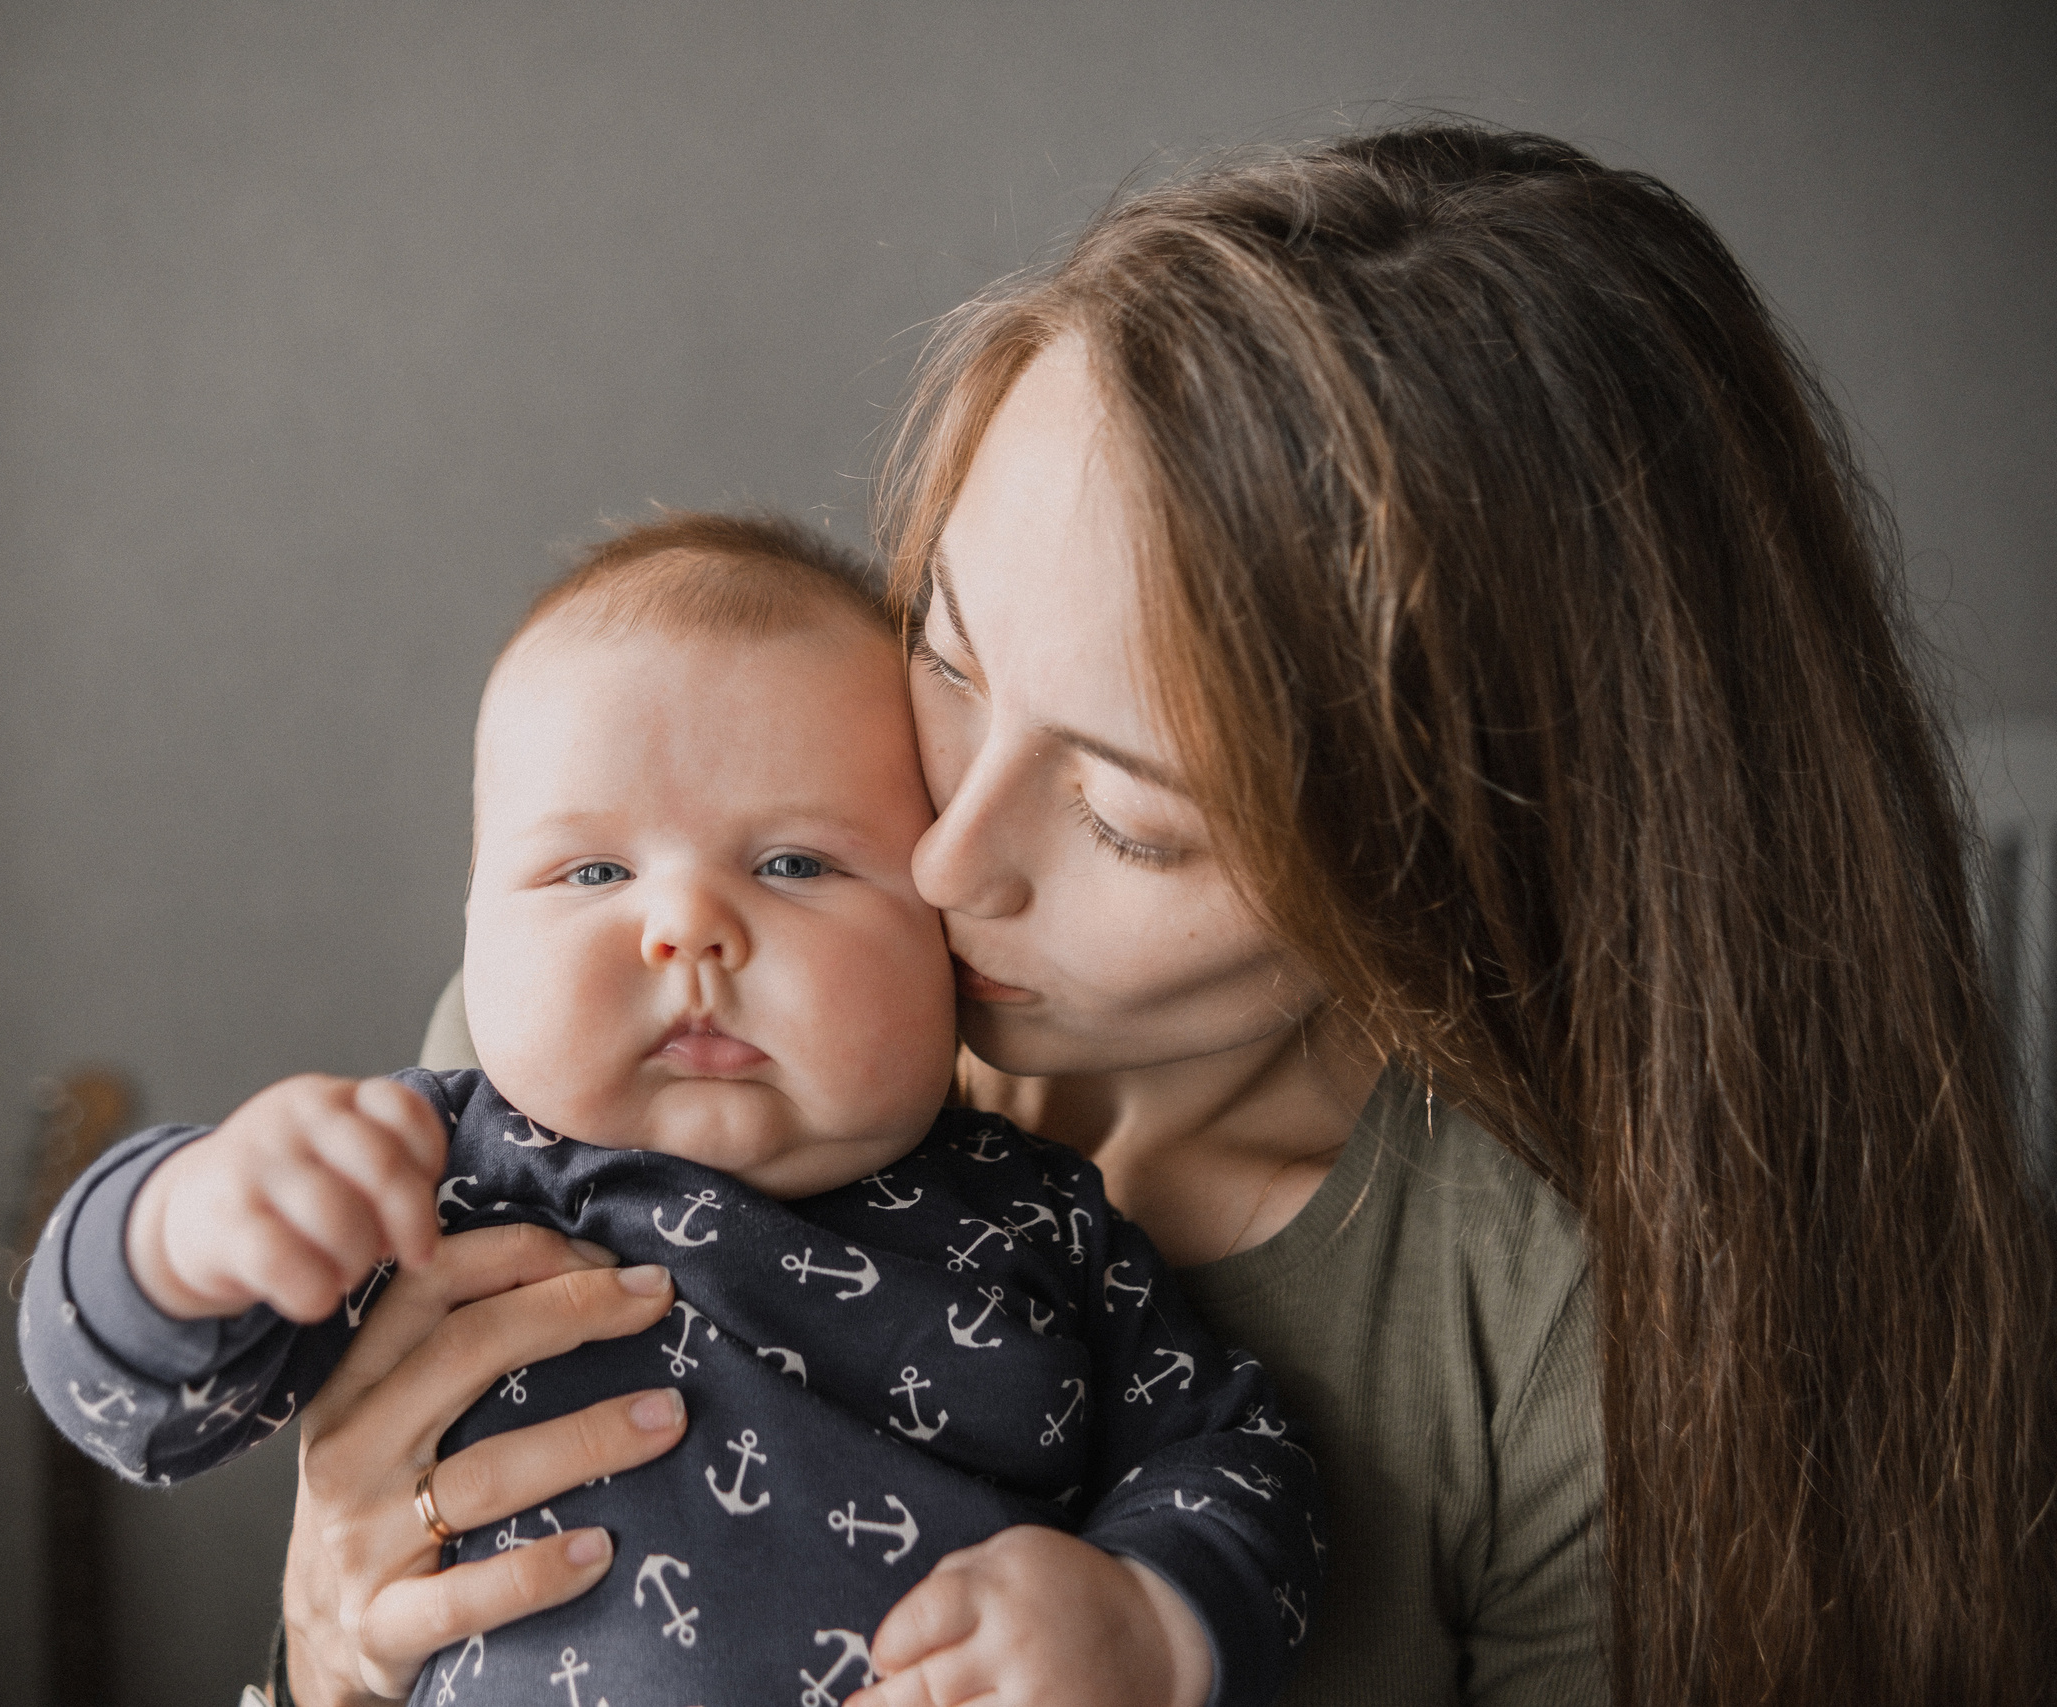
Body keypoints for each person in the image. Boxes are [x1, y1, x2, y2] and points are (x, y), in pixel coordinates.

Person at [269, 124, 2057, 1707]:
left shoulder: (1574, 1327)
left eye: (1131, 817)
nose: (949, 856)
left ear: (1464, 863)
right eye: (950, 660)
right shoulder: (627, 1021)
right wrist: (328, 1661)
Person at [20, 513, 1324, 1707]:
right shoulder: (429, 1175)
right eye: (592, 869)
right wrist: (183, 1231)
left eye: (795, 863)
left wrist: (1147, 1627)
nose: (690, 926)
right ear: (473, 924)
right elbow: (139, 1414)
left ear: (946, 930)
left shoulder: (1043, 1220)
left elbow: (1236, 1457)